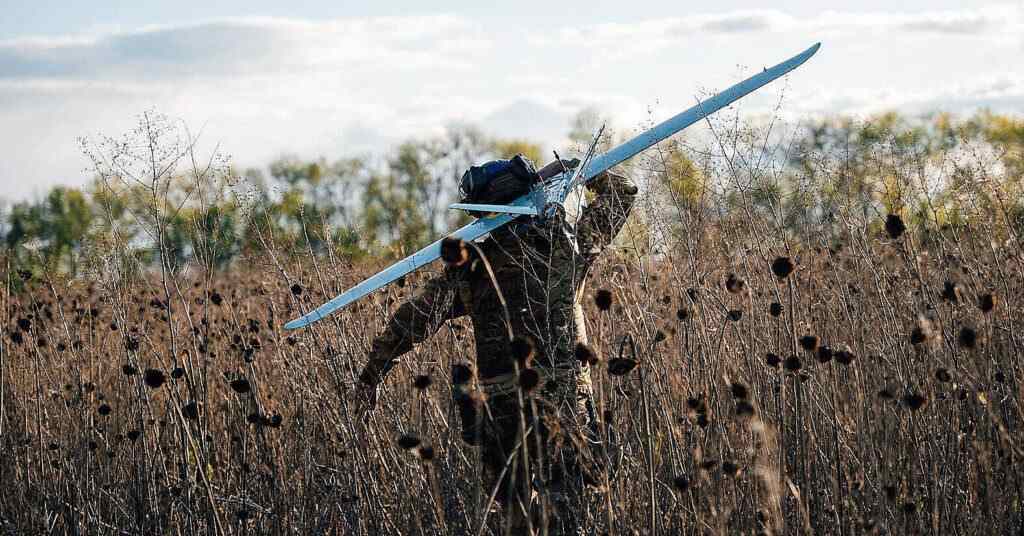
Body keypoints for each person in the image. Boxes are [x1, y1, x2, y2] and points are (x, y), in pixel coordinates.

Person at [355, 158, 637, 535]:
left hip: (503, 409)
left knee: (515, 516)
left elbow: (410, 323)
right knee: (567, 509)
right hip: (564, 399)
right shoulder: (565, 247)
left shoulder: (472, 269)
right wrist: (578, 169)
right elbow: (621, 194)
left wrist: (371, 376)